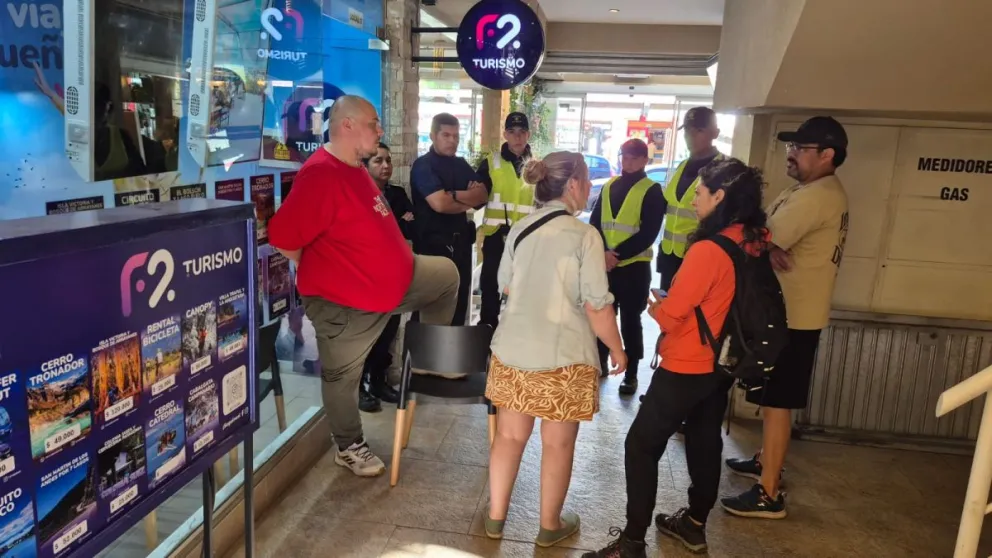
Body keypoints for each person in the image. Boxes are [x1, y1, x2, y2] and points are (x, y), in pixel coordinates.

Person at [584, 158, 771, 558]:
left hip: (687, 363)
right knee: (705, 440)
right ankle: (694, 525)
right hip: (723, 362)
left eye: (700, 194)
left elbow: (672, 316)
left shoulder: (707, 250)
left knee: (641, 445)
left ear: (720, 197)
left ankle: (632, 543)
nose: (694, 203)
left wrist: (657, 305)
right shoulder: (754, 240)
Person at [268, 95, 459, 477]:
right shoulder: (319, 174)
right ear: (348, 125)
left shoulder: (355, 167)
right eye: (374, 123)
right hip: (346, 300)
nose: (381, 129)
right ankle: (348, 446)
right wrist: (332, 265)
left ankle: (431, 358)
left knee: (447, 276)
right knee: (342, 378)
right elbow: (283, 238)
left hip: (396, 282)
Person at [484, 152, 627, 548]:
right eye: (585, 181)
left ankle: (495, 518)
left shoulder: (521, 229)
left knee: (509, 438)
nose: (588, 188)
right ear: (572, 185)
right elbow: (597, 304)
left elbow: (506, 287)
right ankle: (549, 525)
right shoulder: (585, 236)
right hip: (564, 357)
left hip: (513, 350)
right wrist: (617, 348)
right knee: (558, 442)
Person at [721, 116, 849, 519]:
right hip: (793, 313)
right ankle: (765, 460)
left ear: (827, 155)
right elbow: (765, 238)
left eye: (801, 148)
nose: (791, 154)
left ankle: (769, 492)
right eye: (791, 147)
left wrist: (763, 245)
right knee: (775, 398)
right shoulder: (809, 191)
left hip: (793, 318)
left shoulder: (816, 196)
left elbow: (753, 241)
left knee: (778, 402)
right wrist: (768, 246)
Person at [590, 139, 664, 395]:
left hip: (634, 268)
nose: (628, 161)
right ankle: (598, 365)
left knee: (631, 322)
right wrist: (602, 252)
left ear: (645, 160)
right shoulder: (610, 185)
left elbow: (649, 233)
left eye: (634, 157)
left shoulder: (652, 190)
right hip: (607, 266)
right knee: (601, 314)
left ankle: (630, 374)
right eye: (625, 156)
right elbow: (595, 222)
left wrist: (615, 255)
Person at [410, 113, 487, 326]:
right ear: (433, 136)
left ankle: (452, 358)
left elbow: (482, 196)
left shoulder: (461, 165)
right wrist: (464, 199)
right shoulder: (423, 166)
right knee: (430, 310)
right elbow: (439, 204)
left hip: (460, 246)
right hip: (432, 249)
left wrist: (452, 195)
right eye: (446, 135)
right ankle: (422, 359)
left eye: (456, 136)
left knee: (458, 308)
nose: (452, 141)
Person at [357, 143, 415, 413]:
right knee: (363, 334)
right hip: (363, 275)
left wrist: (398, 223)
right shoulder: (357, 195)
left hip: (392, 273)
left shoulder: (398, 194)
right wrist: (397, 222)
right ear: (365, 166)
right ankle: (359, 388)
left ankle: (378, 381)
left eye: (388, 160)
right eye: (378, 161)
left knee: (388, 330)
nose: (386, 166)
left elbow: (411, 227)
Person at [476, 112, 533, 329]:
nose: (517, 137)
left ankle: (516, 337)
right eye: (512, 132)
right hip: (496, 239)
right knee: (490, 288)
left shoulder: (537, 166)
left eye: (521, 132)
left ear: (528, 135)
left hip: (527, 241)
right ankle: (487, 339)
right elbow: (477, 197)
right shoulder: (491, 164)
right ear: (505, 134)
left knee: (523, 290)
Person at [657, 106, 723, 292]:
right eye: (687, 130)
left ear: (715, 133)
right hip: (670, 256)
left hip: (699, 258)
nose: (691, 136)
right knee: (666, 311)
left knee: (690, 317)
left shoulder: (723, 169)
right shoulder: (682, 167)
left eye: (699, 130)